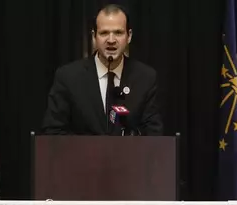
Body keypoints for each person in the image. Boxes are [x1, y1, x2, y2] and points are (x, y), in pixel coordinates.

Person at [41, 4, 163, 136]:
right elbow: (53, 132)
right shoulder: (68, 77)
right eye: (104, 33)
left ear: (129, 36)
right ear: (94, 37)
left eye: (118, 33)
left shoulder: (145, 77)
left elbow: (153, 135)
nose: (111, 40)